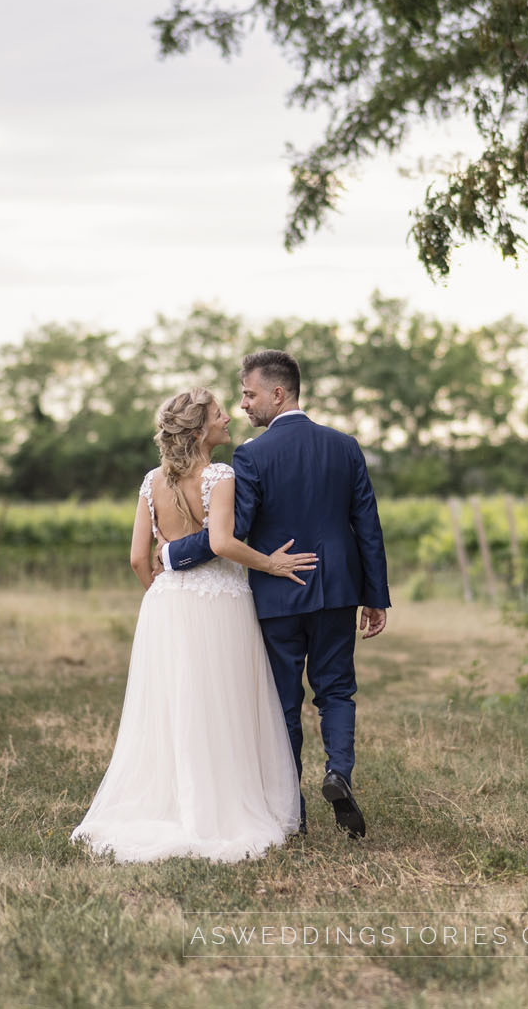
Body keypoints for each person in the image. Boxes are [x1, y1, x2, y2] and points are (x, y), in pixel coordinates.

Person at [69, 386, 319, 863]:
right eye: (221, 414)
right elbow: (222, 542)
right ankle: (218, 808)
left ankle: (175, 800)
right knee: (223, 702)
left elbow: (137, 557)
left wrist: (163, 594)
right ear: (201, 428)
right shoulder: (219, 475)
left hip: (167, 605)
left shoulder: (151, 481)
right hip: (220, 602)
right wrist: (271, 564)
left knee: (175, 705)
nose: (229, 418)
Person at [158, 349, 391, 838]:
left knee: (282, 703)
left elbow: (232, 532)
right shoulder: (345, 445)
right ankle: (338, 773)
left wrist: (174, 555)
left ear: (277, 393)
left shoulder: (251, 455)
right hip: (336, 590)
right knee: (337, 690)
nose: (243, 405)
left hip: (275, 594)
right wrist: (376, 595)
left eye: (248, 394)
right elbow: (366, 524)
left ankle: (293, 816)